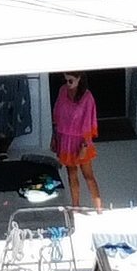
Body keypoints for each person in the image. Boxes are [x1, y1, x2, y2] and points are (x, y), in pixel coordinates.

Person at [51, 73, 102, 212]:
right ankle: (75, 206)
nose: (67, 83)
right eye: (65, 80)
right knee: (71, 174)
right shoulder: (62, 91)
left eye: (70, 80)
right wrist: (54, 137)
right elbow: (57, 115)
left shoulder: (87, 97)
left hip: (81, 140)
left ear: (79, 79)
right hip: (65, 139)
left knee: (88, 176)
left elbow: (89, 121)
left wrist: (85, 146)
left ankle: (99, 209)